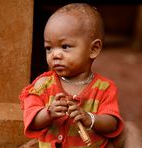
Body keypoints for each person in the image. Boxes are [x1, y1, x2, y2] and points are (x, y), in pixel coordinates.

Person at [19, 3, 124, 148]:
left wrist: (90, 118)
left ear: (93, 49)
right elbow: (31, 120)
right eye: (49, 48)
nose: (55, 55)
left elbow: (112, 123)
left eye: (65, 46)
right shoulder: (42, 85)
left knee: (132, 133)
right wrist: (49, 113)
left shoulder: (105, 88)